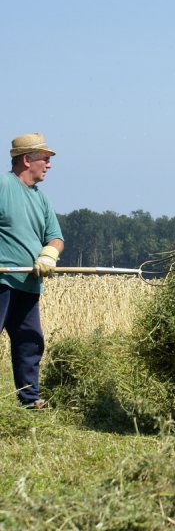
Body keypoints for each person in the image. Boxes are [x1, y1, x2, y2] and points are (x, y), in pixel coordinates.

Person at [2, 133, 64, 409]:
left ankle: (29, 400)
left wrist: (49, 254)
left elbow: (56, 237)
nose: (49, 165)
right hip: (2, 280)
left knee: (30, 342)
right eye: (45, 159)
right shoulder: (3, 186)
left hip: (29, 282)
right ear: (27, 160)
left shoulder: (41, 199)